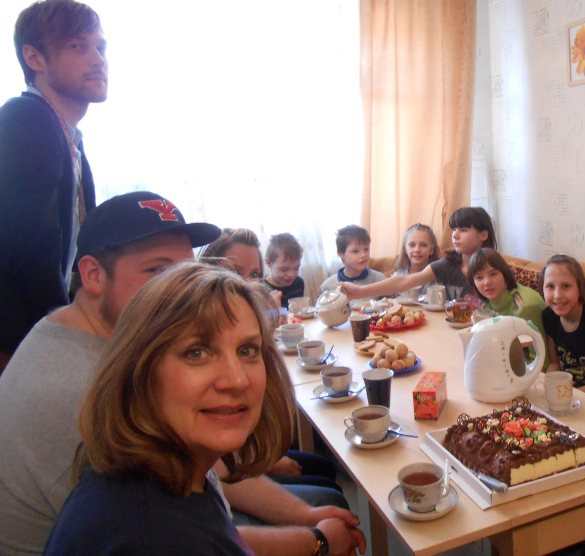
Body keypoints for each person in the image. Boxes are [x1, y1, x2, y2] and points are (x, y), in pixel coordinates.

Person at [44, 263, 365, 556]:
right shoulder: (155, 539)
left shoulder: (166, 474)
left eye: (247, 350)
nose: (237, 379)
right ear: (138, 373)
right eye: (196, 352)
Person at [0, 190, 219, 554]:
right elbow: (177, 532)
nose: (183, 294)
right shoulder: (87, 390)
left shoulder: (83, 336)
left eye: (186, 273)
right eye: (158, 271)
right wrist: (315, 539)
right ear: (93, 275)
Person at [200, 228, 345, 501]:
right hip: (228, 470)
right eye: (232, 271)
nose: (243, 283)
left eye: (253, 275)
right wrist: (265, 463)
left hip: (241, 451)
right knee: (332, 494)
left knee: (325, 467)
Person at [0, 0, 107, 370]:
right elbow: (30, 249)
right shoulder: (25, 119)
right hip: (14, 340)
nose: (98, 58)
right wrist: (66, 337)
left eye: (100, 46)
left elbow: (83, 247)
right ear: (35, 58)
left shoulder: (68, 136)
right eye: (78, 46)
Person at [341, 206, 497, 302]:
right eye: (454, 230)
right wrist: (359, 292)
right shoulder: (447, 264)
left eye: (463, 230)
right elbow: (404, 281)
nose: (455, 235)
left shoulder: (495, 267)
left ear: (483, 235)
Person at [541, 254, 585, 399]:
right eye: (550, 286)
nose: (557, 295)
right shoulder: (548, 316)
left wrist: (562, 396)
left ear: (579, 287)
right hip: (565, 391)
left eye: (566, 286)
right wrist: (549, 386)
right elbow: (555, 363)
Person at [320, 224, 387, 291]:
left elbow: (394, 300)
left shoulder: (380, 279)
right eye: (355, 251)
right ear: (341, 253)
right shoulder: (328, 287)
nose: (363, 255)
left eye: (366, 249)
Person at [264, 232, 306, 309]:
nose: (291, 274)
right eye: (284, 269)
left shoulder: (298, 283)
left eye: (296, 268)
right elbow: (264, 319)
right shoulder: (261, 289)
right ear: (269, 262)